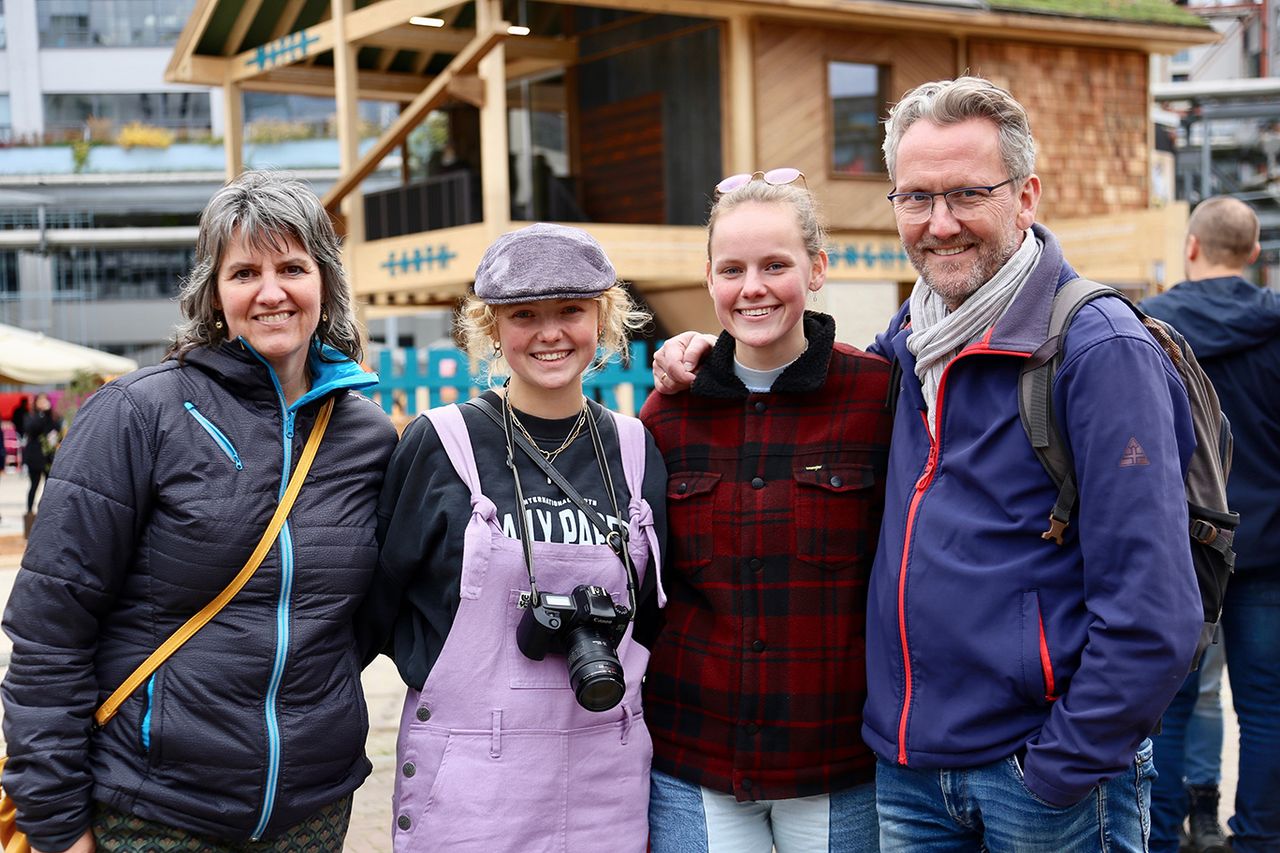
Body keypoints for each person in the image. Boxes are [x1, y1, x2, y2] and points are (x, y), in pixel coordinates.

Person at [653, 76, 1201, 850]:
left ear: (1026, 196)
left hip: (1038, 774)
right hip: (911, 775)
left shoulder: (1095, 347)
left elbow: (1155, 609)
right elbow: (816, 380)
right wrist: (716, 354)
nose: (939, 223)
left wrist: (1061, 766)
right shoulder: (912, 338)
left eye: (967, 193)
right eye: (915, 198)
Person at [1, 170, 398, 853]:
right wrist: (57, 822)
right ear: (214, 292)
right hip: (152, 809)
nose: (271, 291)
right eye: (245, 270)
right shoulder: (138, 414)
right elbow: (50, 630)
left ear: (325, 282)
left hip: (313, 809)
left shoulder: (367, 436)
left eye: (292, 267)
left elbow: (359, 621)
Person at [357, 223, 667, 852]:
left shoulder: (635, 451)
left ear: (602, 319)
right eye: (524, 314)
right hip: (471, 784)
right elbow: (378, 608)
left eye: (571, 311)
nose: (550, 333)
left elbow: (658, 613)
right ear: (490, 326)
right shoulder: (443, 444)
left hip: (606, 776)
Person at [639, 170, 890, 852]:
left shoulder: (878, 397)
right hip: (696, 753)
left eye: (775, 265)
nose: (753, 287)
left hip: (837, 758)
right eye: (733, 268)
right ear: (710, 279)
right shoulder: (667, 411)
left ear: (817, 267)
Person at [1142, 195, 1280, 853]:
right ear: (1253, 254)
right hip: (1268, 549)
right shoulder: (1277, 328)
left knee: (1163, 711)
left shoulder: (1146, 328)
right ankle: (1257, 840)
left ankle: (1159, 837)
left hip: (1180, 549)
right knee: (1268, 710)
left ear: (1190, 247)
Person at [20, 392, 61, 515]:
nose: (43, 403)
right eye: (40, 401)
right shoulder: (30, 416)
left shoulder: (52, 416)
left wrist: (48, 414)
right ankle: (29, 512)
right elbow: (31, 429)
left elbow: (56, 430)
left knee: (49, 486)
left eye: (45, 401)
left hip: (48, 457)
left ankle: (44, 510)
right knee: (34, 484)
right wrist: (41, 415)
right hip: (34, 456)